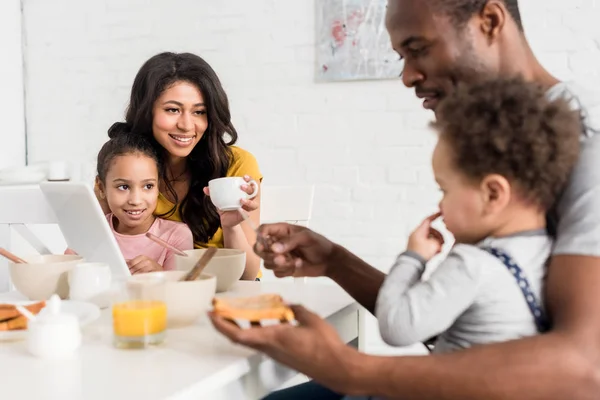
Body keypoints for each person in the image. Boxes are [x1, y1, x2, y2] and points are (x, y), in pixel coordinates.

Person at [210, 0, 600, 399]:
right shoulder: (512, 136)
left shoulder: (588, 141)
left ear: (490, 21)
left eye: (419, 49)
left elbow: (585, 368)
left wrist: (352, 370)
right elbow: (468, 326)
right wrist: (334, 261)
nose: (408, 76)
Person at [377, 77, 580, 353]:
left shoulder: (471, 265)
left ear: (493, 194)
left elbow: (395, 327)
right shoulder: (548, 251)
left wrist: (413, 258)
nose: (440, 205)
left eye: (444, 190)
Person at [97, 52, 263, 280]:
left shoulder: (237, 165)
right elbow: (99, 249)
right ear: (147, 111)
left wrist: (232, 225)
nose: (186, 125)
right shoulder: (124, 167)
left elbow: (249, 275)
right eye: (172, 110)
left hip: (226, 290)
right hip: (155, 294)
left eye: (199, 112)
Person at [95, 133, 193, 273]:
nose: (135, 200)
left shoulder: (176, 236)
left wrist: (159, 274)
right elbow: (66, 279)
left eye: (148, 186)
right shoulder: (92, 231)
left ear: (158, 186)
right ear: (101, 187)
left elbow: (183, 289)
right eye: (123, 187)